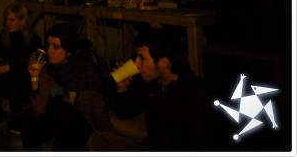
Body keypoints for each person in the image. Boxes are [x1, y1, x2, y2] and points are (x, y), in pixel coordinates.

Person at [87, 28, 229, 152]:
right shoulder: (152, 83)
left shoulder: (195, 95)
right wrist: (122, 90)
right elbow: (125, 112)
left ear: (164, 62)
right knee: (98, 140)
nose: (137, 64)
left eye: (142, 58)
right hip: (155, 148)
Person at [20, 22, 115, 151]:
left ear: (69, 51)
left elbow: (100, 116)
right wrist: (34, 77)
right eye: (48, 45)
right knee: (29, 120)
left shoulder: (86, 73)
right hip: (54, 126)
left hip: (80, 130)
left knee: (62, 110)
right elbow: (39, 110)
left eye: (56, 47)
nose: (49, 51)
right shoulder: (48, 70)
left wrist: (114, 142)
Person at [0, 3, 41, 116]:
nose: (7, 23)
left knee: (13, 76)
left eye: (11, 20)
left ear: (22, 21)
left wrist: (8, 67)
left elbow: (28, 61)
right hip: (6, 77)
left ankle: (18, 108)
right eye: (6, 20)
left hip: (25, 77)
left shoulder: (33, 39)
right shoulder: (3, 37)